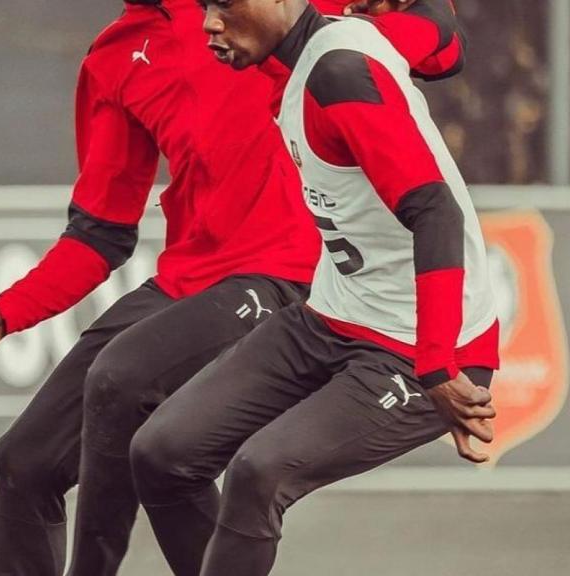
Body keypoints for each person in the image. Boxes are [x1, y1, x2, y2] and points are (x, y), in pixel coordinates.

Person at [0, 1, 466, 574]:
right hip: (187, 283)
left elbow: (444, 48)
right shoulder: (113, 56)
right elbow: (98, 234)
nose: (214, 24)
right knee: (24, 461)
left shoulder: (268, 8)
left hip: (290, 276)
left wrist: (388, 32)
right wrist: (6, 315)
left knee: (126, 377)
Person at [129, 1, 499, 574]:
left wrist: (435, 369)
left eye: (225, 3)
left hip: (424, 348)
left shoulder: (339, 71)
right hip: (329, 317)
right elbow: (443, 40)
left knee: (259, 471)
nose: (208, 22)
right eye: (205, 5)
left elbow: (436, 212)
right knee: (163, 452)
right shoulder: (311, 49)